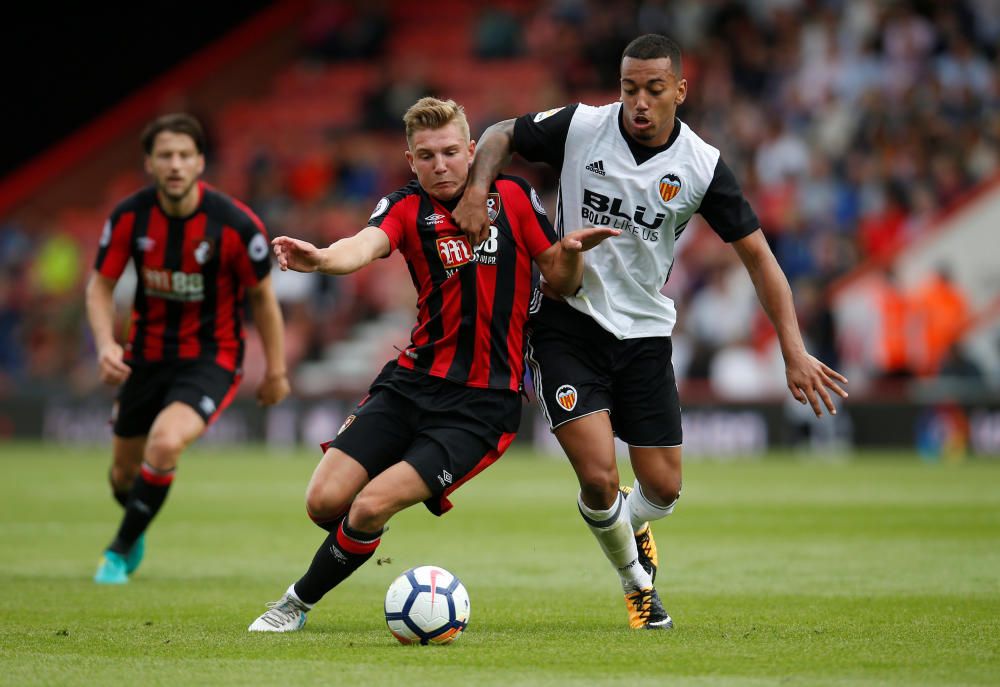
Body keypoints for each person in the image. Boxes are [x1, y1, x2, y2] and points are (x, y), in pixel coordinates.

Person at [453, 34, 849, 630]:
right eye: (629, 87)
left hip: (643, 335)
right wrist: (478, 189)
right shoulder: (581, 126)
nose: (639, 101)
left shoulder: (702, 167)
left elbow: (761, 260)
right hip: (568, 322)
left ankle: (631, 526)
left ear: (680, 91)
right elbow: (501, 133)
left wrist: (793, 351)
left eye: (654, 89)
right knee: (599, 476)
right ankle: (638, 588)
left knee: (661, 490)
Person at [247, 97, 616, 632]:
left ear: (471, 151)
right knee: (324, 502)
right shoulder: (404, 207)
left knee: (369, 506)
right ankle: (359, 536)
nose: (439, 165)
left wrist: (573, 252)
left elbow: (560, 280)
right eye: (426, 156)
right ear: (410, 159)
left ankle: (292, 606)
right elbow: (363, 245)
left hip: (482, 404)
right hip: (411, 382)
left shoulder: (511, 198)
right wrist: (323, 259)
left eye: (449, 152)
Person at [87, 113, 290, 584]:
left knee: (165, 441)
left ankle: (117, 552)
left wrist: (275, 370)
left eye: (184, 155)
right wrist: (104, 345)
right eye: (165, 156)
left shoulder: (235, 225)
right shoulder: (129, 217)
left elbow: (262, 297)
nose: (175, 165)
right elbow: (100, 285)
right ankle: (136, 523)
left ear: (200, 162)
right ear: (149, 164)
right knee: (122, 476)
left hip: (211, 359)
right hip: (144, 356)